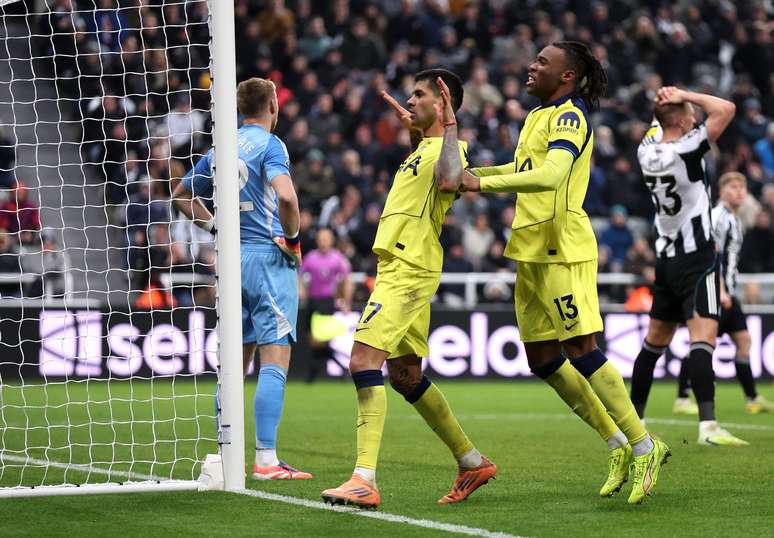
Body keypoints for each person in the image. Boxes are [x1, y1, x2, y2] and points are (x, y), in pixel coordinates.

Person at [460, 42, 667, 505]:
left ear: (567, 76)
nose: (531, 67)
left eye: (542, 62)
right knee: (542, 359)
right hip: (530, 247)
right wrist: (473, 176)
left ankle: (644, 445)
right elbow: (522, 168)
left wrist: (481, 184)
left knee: (580, 348)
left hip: (561, 246)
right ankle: (617, 442)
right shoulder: (538, 115)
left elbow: (552, 175)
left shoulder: (571, 116)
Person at [321, 69, 495, 509]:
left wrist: (449, 125)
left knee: (363, 360)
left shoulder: (452, 147)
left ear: (442, 101)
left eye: (419, 95)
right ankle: (471, 460)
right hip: (400, 264)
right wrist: (417, 134)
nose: (410, 100)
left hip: (408, 266)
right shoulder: (424, 148)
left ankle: (364, 479)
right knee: (405, 376)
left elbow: (450, 180)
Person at [171, 77, 312, 480]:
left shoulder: (222, 147)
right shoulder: (271, 145)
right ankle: (266, 460)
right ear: (273, 105)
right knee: (275, 357)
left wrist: (216, 228)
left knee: (236, 361)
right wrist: (294, 239)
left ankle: (225, 453)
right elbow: (287, 196)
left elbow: (180, 194)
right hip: (267, 257)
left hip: (231, 260)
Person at [630, 86, 747, 446]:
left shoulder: (646, 150)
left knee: (654, 343)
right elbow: (726, 108)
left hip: (665, 260)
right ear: (681, 121)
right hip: (697, 261)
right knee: (702, 339)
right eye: (691, 115)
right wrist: (684, 93)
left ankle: (632, 422)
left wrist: (663, 102)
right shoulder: (688, 147)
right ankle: (708, 427)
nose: (696, 119)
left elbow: (658, 122)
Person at [673, 172, 774, 415]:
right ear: (722, 191)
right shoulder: (718, 217)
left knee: (744, 340)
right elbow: (710, 255)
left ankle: (752, 398)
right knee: (703, 342)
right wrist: (719, 290)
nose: (739, 191)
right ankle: (682, 399)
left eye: (742, 187)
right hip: (714, 291)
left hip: (727, 292)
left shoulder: (735, 220)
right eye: (734, 187)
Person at [299, 227, 353, 382]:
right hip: (313, 301)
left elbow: (346, 280)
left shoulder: (338, 258)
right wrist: (301, 290)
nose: (323, 242)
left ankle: (313, 375)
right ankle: (339, 368)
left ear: (331, 240)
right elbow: (299, 275)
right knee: (313, 339)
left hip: (328, 302)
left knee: (320, 339)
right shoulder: (310, 257)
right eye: (321, 239)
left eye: (326, 239)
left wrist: (346, 302)